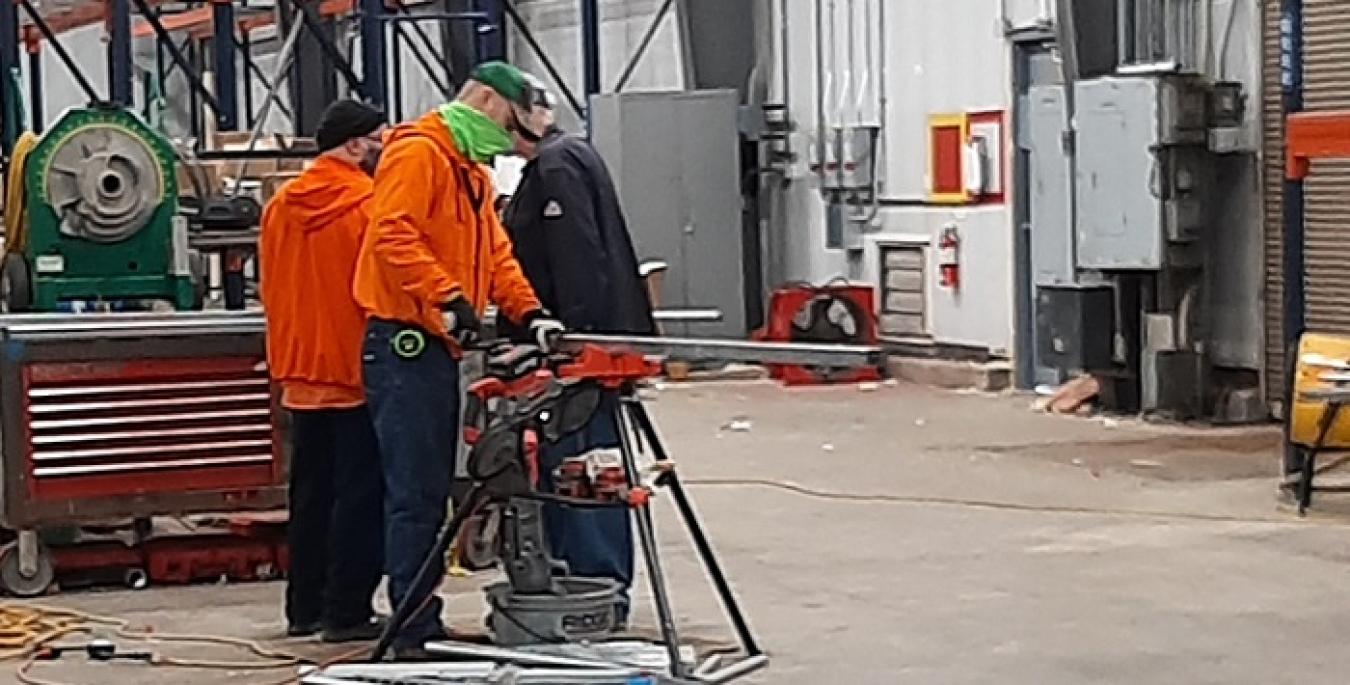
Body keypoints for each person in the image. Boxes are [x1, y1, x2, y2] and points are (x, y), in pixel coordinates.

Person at [352, 61, 565, 658]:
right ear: (493, 105)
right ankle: (412, 634)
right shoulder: (419, 154)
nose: (514, 143)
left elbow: (495, 255)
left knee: (428, 496)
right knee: (416, 497)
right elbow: (392, 234)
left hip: (432, 351)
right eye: (516, 127)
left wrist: (530, 313)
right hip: (404, 347)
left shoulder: (466, 171)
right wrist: (447, 297)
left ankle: (421, 622)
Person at [501, 79, 657, 628]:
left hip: (579, 361)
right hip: (587, 352)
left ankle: (596, 592)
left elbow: (577, 257)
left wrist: (571, 343)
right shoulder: (567, 158)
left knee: (584, 475)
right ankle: (592, 589)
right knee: (587, 469)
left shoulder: (556, 166)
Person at [259, 99, 387, 643]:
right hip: (352, 371)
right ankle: (346, 612)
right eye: (377, 139)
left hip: (299, 374)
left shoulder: (281, 206)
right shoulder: (366, 206)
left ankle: (303, 607)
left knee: (309, 496)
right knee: (359, 497)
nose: (381, 148)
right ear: (355, 145)